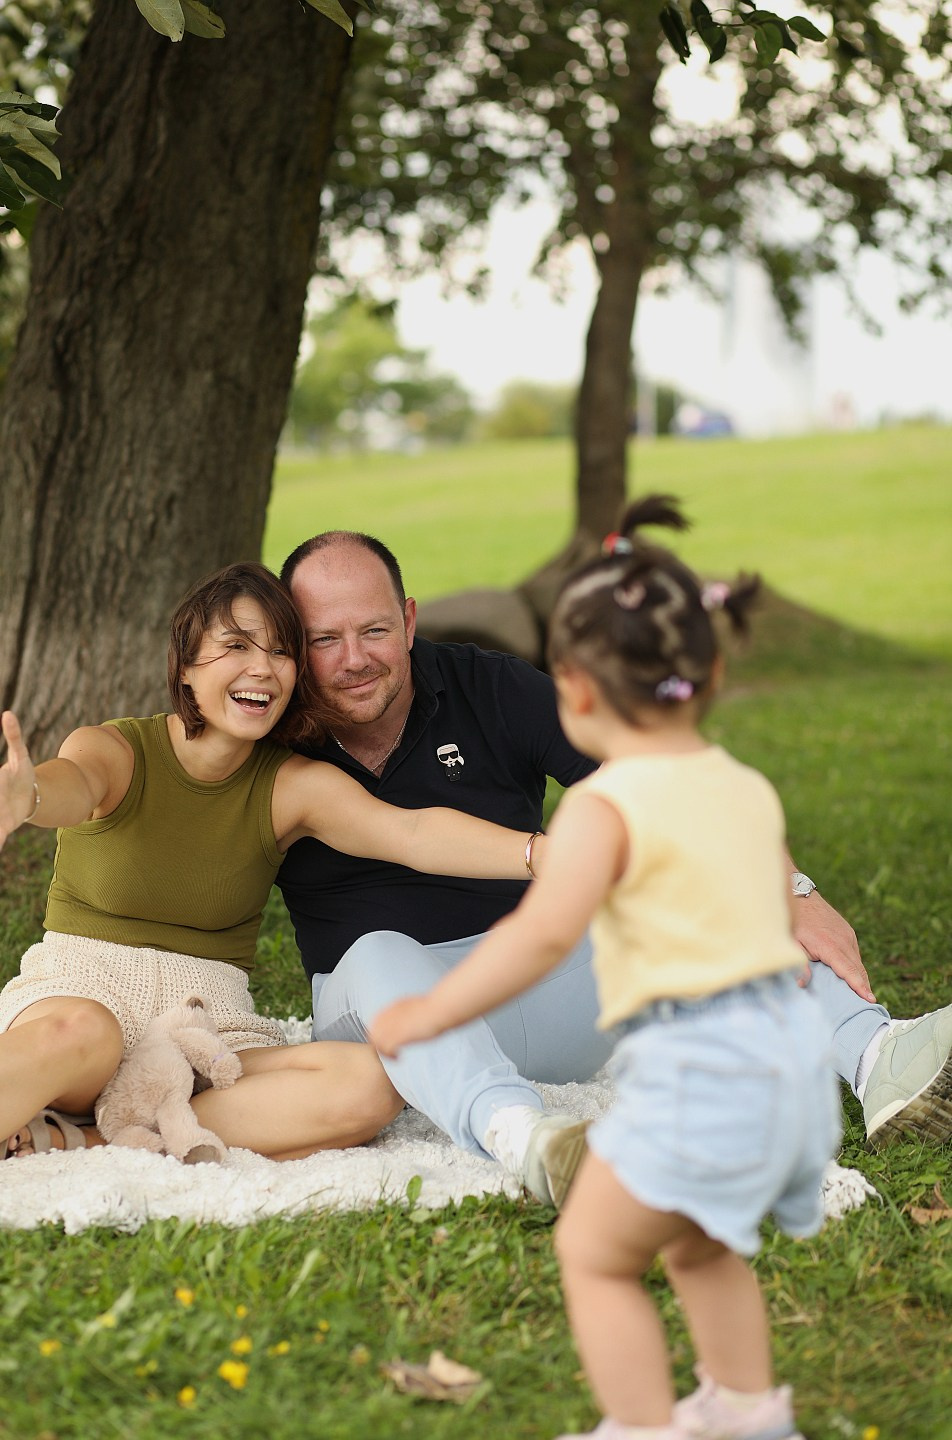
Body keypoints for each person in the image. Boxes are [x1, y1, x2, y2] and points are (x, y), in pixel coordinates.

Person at [277, 528, 952, 1203]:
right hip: (372, 1021)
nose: (353, 660)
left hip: (527, 986)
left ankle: (881, 1059)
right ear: (292, 644)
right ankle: (528, 1138)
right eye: (323, 640)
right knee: (377, 953)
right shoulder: (272, 736)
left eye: (374, 631)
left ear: (410, 620)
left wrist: (793, 891)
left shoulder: (485, 685)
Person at [369, 495, 841, 1440]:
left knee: (595, 1252)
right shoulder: (744, 785)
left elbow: (538, 939)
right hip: (788, 1077)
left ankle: (643, 1425)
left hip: (699, 1081)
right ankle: (748, 1412)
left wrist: (428, 1013)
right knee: (702, 1249)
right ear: (706, 672)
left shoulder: (601, 810)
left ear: (573, 691)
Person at [0, 562, 546, 1164]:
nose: (261, 666)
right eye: (235, 645)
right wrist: (29, 797)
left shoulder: (293, 785)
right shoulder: (114, 749)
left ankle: (96, 1138)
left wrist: (538, 853)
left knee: (371, 1083)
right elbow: (71, 785)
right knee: (87, 1032)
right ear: (185, 664)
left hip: (206, 1030)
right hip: (82, 1002)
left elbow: (410, 832)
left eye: (281, 650)